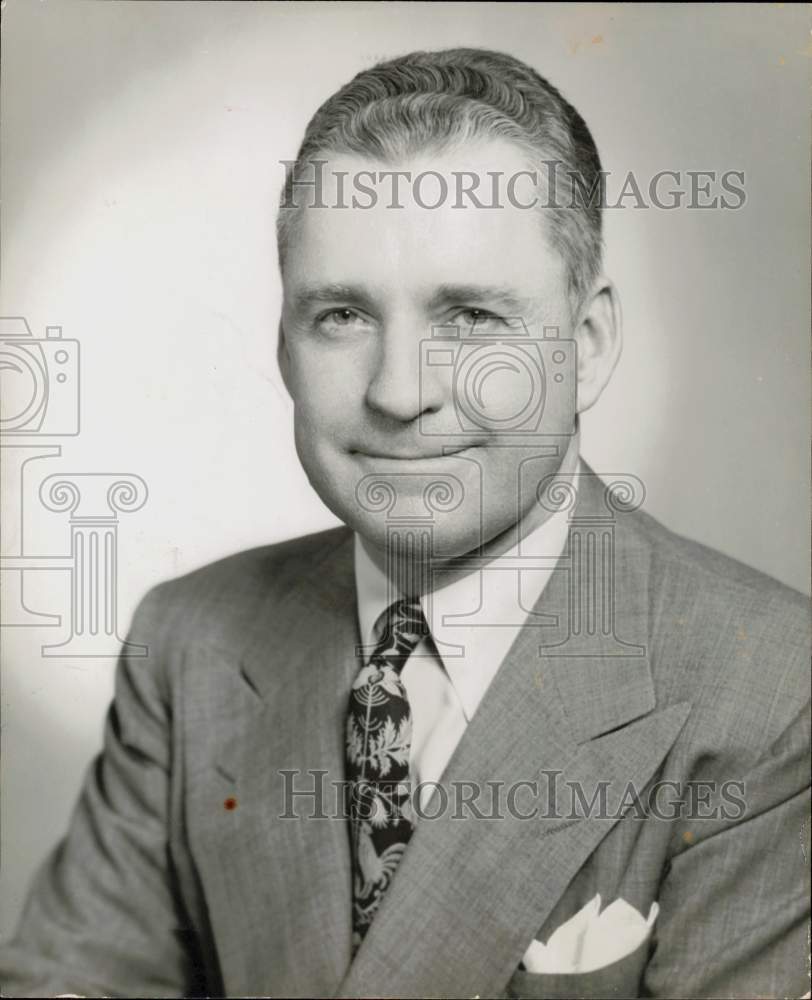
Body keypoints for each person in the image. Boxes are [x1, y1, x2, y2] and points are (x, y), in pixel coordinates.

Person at [1, 47, 809, 1000]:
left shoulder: (770, 691)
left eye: (468, 318)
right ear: (285, 347)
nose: (397, 392)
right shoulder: (192, 641)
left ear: (585, 349)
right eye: (342, 314)